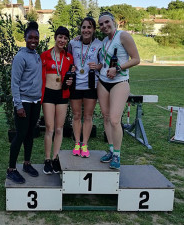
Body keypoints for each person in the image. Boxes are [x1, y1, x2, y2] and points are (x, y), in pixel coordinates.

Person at [98, 12, 140, 169]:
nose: (104, 26)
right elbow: (104, 62)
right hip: (103, 82)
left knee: (115, 120)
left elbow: (136, 59)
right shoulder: (104, 41)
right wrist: (100, 67)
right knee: (106, 117)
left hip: (119, 82)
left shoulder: (123, 36)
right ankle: (110, 149)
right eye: (101, 24)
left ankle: (117, 154)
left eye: (106, 22)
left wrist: (118, 68)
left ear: (113, 21)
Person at [6, 22, 42, 184]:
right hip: (24, 102)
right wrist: (18, 105)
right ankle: (11, 169)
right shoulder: (20, 57)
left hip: (35, 101)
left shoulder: (36, 55)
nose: (33, 40)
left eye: (36, 37)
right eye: (30, 37)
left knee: (30, 134)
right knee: (20, 135)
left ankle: (27, 164)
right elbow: (15, 83)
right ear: (25, 38)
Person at [40, 26, 74, 174]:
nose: (62, 40)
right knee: (50, 127)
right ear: (55, 37)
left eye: (65, 38)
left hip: (62, 94)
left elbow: (70, 76)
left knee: (59, 128)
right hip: (48, 93)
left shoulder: (69, 57)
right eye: (60, 37)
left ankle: (55, 158)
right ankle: (47, 159)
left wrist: (70, 81)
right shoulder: (45, 55)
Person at [68, 17, 102, 158]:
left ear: (94, 29)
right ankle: (77, 143)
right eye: (84, 27)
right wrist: (71, 67)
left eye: (89, 27)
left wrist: (97, 66)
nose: (86, 30)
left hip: (91, 85)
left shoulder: (100, 44)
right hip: (75, 84)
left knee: (88, 116)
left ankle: (85, 145)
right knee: (76, 115)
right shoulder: (73, 43)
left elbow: (103, 64)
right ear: (80, 29)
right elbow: (68, 60)